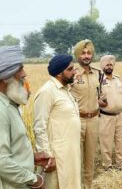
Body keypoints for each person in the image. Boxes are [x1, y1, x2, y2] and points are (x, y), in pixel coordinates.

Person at [33, 54, 81, 189]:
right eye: (70, 69)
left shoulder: (66, 90)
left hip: (71, 153)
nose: (74, 72)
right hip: (57, 156)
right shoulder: (47, 92)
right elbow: (39, 126)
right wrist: (47, 157)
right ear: (60, 73)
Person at [0, 45, 44, 189]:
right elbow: (2, 161)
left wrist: (31, 158)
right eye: (20, 70)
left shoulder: (10, 104)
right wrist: (34, 179)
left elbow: (12, 148)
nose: (24, 74)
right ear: (5, 78)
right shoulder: (2, 110)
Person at [70, 39, 101, 188]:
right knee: (75, 160)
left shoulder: (98, 74)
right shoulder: (72, 74)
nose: (86, 56)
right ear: (78, 55)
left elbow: (99, 95)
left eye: (89, 53)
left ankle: (88, 186)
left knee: (90, 159)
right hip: (77, 121)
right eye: (83, 53)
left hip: (94, 120)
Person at [98, 55, 122, 171]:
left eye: (111, 64)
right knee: (106, 142)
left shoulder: (118, 79)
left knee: (121, 140)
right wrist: (98, 102)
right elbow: (93, 98)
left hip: (120, 116)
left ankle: (120, 164)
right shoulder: (99, 81)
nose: (109, 66)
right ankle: (107, 166)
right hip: (106, 117)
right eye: (107, 64)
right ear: (102, 66)